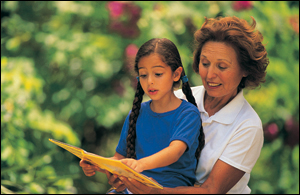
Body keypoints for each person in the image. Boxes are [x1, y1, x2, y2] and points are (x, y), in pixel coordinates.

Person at [102, 16, 269, 194]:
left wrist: (154, 192)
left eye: (221, 66)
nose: (210, 74)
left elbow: (211, 190)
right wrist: (121, 177)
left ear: (245, 70)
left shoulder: (248, 126)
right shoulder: (177, 99)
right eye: (205, 63)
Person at [80, 38, 205, 193]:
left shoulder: (187, 114)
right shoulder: (136, 113)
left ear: (176, 74)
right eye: (143, 75)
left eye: (158, 74)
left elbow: (175, 151)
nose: (150, 81)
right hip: (133, 187)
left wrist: (141, 164)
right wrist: (96, 164)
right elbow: (120, 160)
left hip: (166, 190)